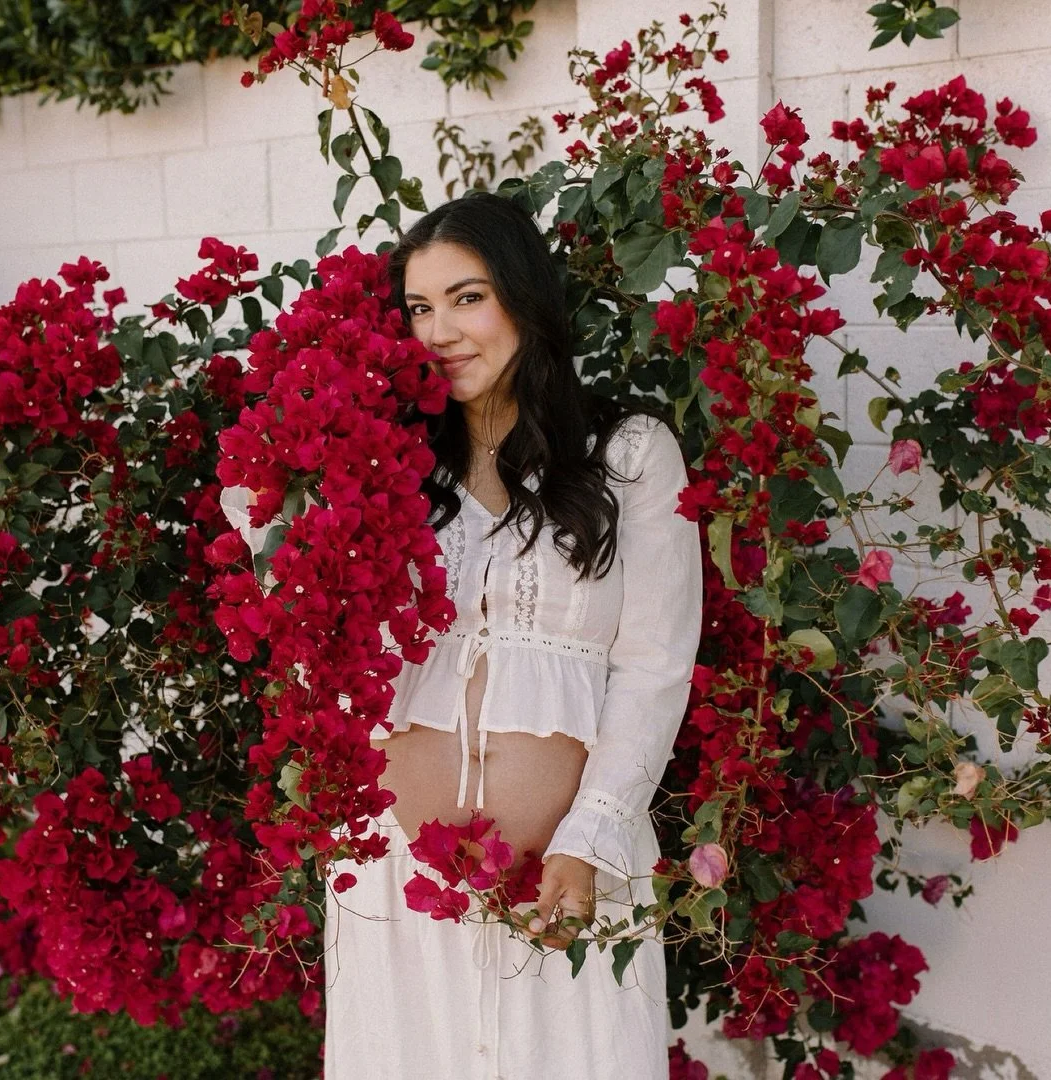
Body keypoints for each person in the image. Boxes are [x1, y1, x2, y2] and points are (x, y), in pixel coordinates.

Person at [319, 190, 704, 1079]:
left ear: (524, 299)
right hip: (392, 885)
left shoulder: (629, 452)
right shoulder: (383, 461)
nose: (441, 330)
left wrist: (590, 838)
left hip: (570, 878)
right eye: (419, 307)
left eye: (468, 296)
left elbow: (653, 663)